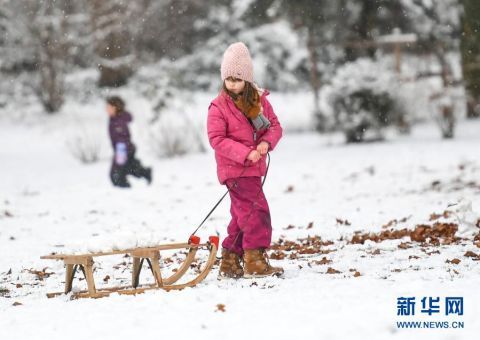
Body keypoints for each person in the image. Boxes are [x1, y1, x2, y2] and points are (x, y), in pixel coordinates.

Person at [207, 42, 283, 278]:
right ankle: (254, 260)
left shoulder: (259, 102)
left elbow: (275, 127)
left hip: (253, 169)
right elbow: (217, 139)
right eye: (228, 78)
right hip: (235, 170)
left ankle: (230, 260)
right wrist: (244, 153)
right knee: (256, 212)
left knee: (243, 215)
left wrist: (264, 143)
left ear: (247, 79)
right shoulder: (218, 107)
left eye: (237, 79)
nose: (232, 83)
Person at [106, 96, 152, 188]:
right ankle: (145, 173)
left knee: (116, 175)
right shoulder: (115, 119)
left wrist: (120, 157)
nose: (106, 109)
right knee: (130, 168)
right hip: (127, 148)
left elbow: (121, 139)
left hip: (124, 149)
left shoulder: (118, 122)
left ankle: (124, 189)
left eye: (109, 107)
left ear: (115, 108)